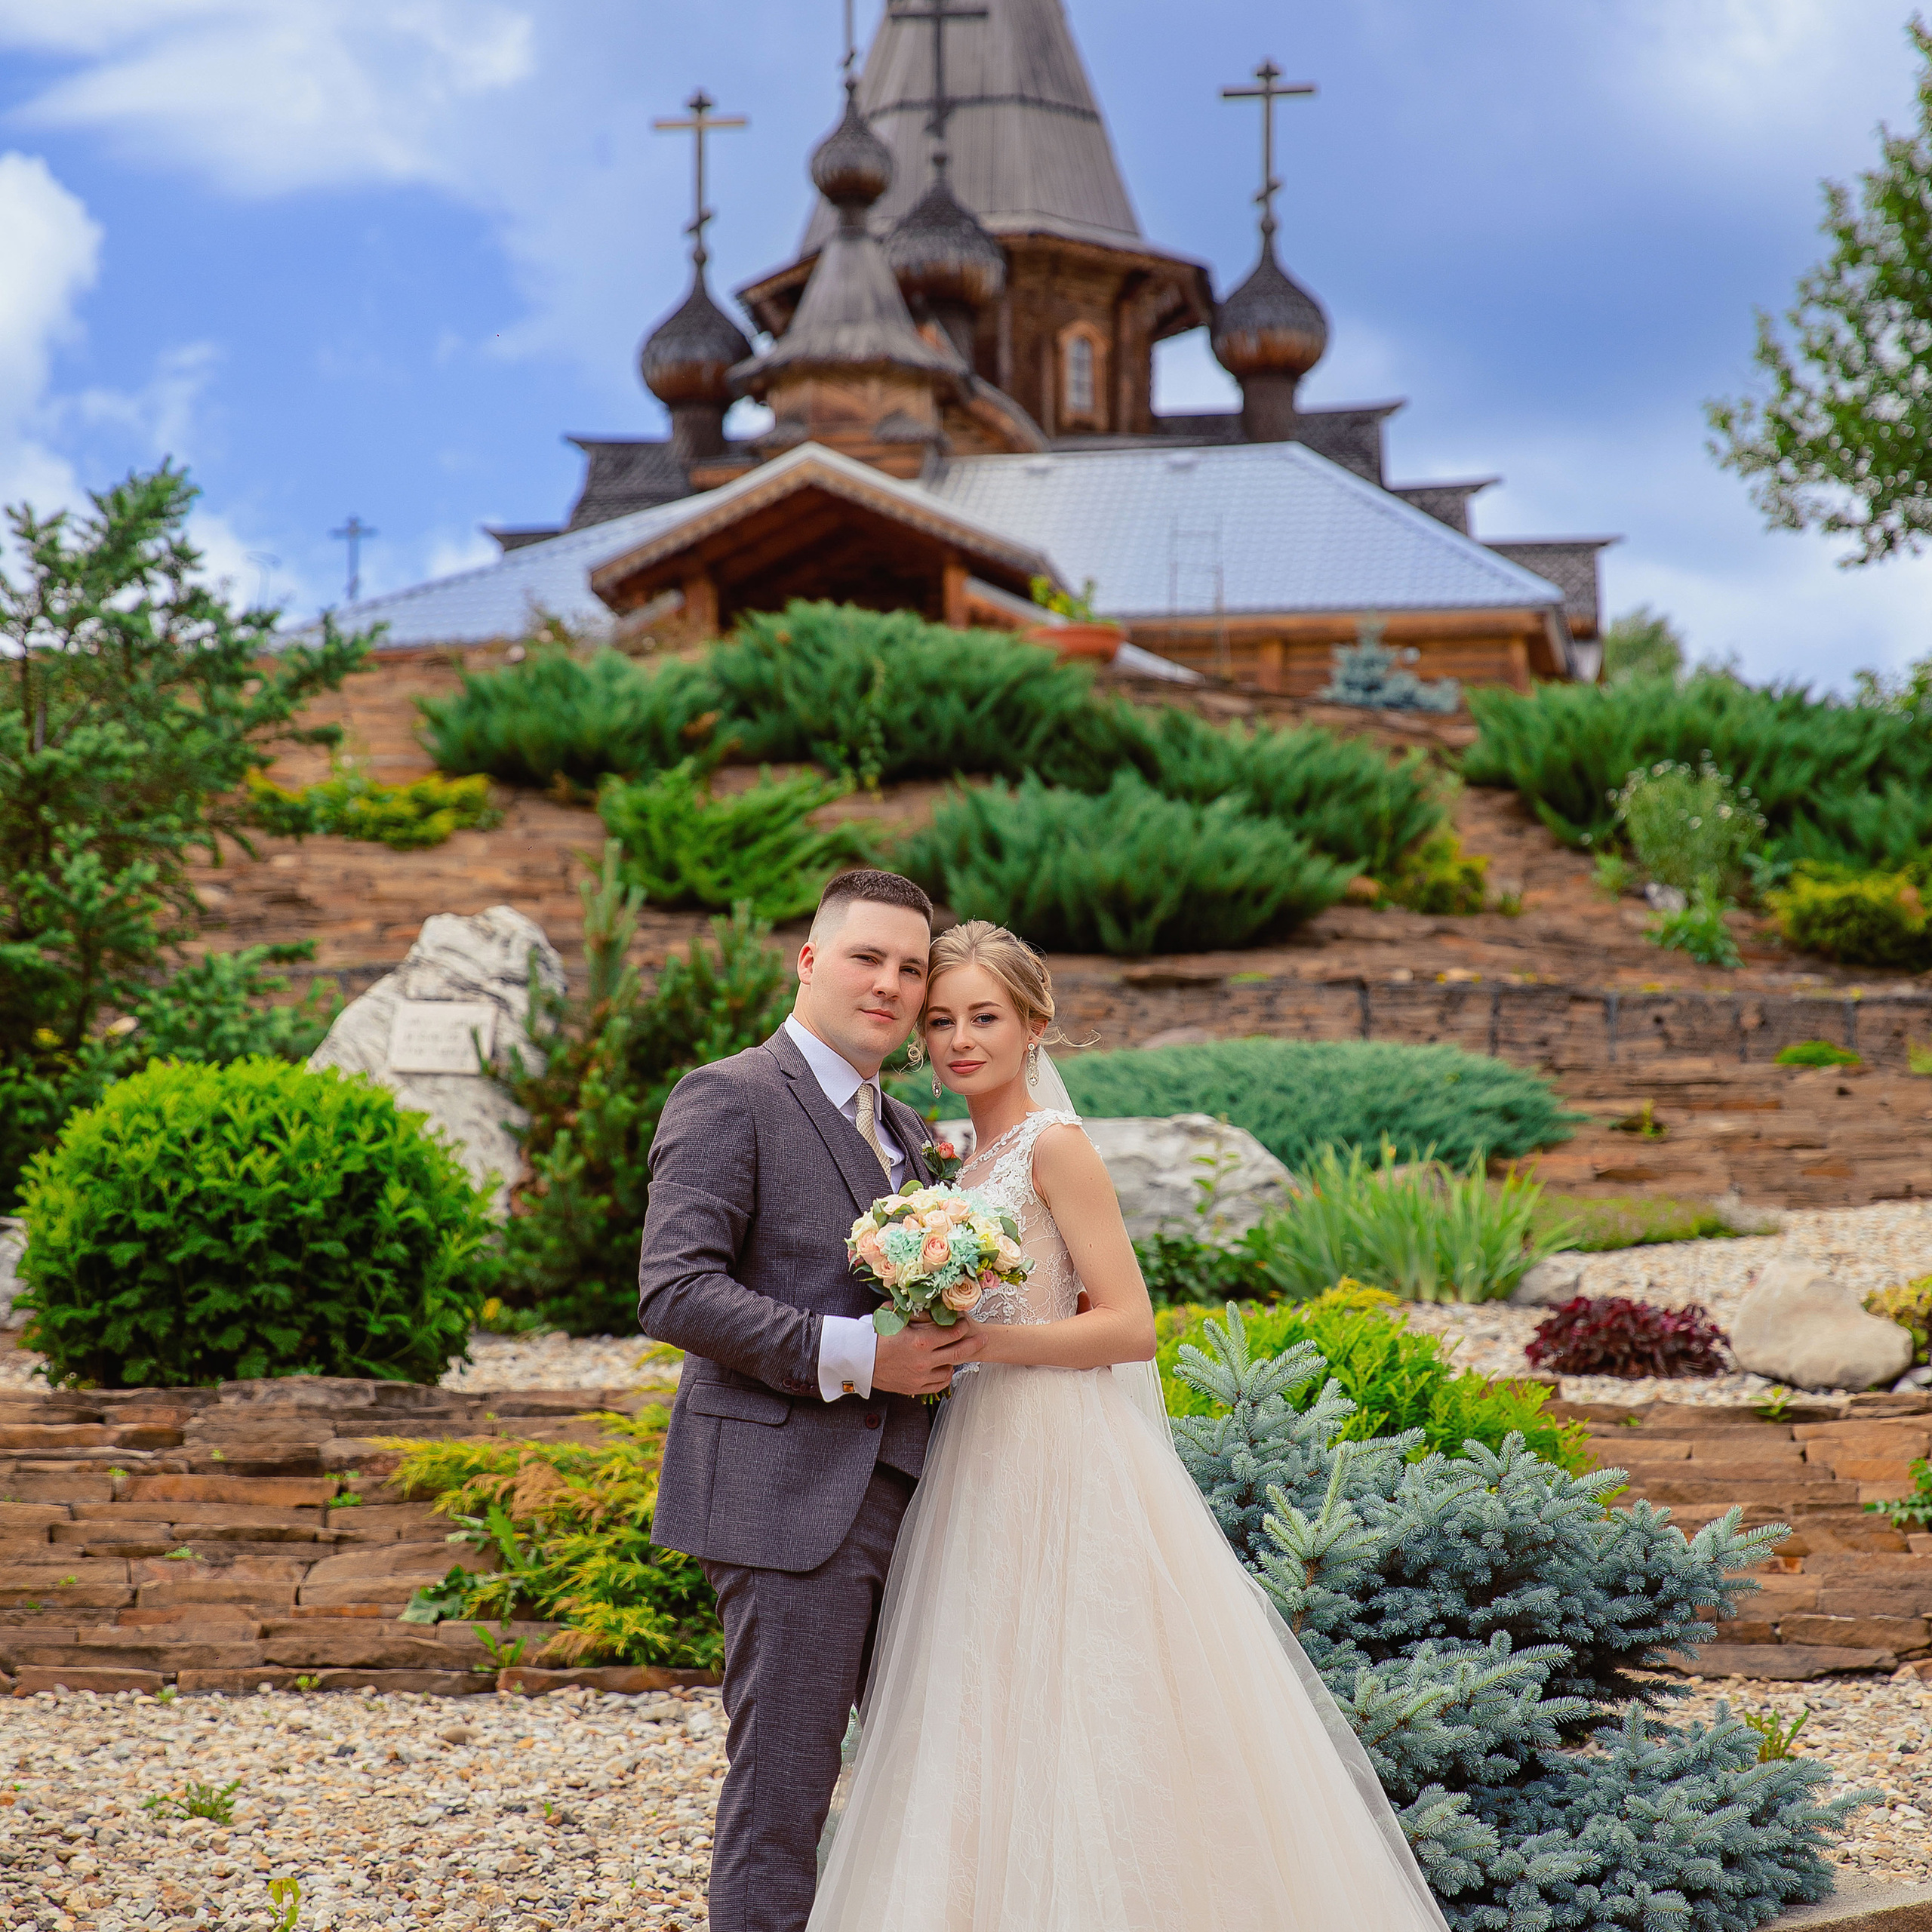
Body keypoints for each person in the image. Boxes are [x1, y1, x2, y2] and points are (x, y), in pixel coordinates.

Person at [806, 919, 1451, 1932]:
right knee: (984, 1694)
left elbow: (1132, 1326)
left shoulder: (1054, 1151)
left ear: (1034, 1026)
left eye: (986, 1017)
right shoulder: (952, 1174)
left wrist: (987, 1343)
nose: (960, 1040)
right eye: (941, 1022)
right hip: (977, 1450)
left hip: (1059, 1447)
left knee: (1086, 1691)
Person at [637, 869, 985, 1932]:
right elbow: (675, 1288)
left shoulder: (917, 1134)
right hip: (784, 1497)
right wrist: (857, 1356)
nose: (889, 982)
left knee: (918, 1788)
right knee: (783, 1794)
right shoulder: (730, 1094)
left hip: (914, 1493)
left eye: (911, 966)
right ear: (809, 960)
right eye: (866, 957)